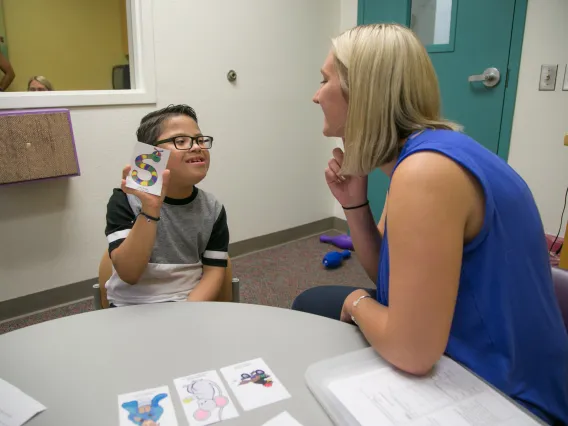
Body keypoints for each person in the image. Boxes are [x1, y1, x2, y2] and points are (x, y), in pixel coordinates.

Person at [292, 24, 568, 424]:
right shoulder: (424, 153)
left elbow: (412, 352)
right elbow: (386, 276)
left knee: (327, 311)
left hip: (510, 396)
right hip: (467, 348)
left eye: (324, 79)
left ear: (363, 91)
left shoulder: (426, 173)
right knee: (312, 302)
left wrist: (356, 301)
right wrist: (354, 204)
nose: (316, 94)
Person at [104, 104, 229, 306]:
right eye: (181, 141)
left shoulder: (212, 208)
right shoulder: (125, 199)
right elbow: (129, 274)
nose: (197, 146)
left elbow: (214, 271)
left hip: (189, 304)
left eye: (200, 140)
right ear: (151, 153)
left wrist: (185, 313)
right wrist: (150, 209)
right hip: (130, 306)